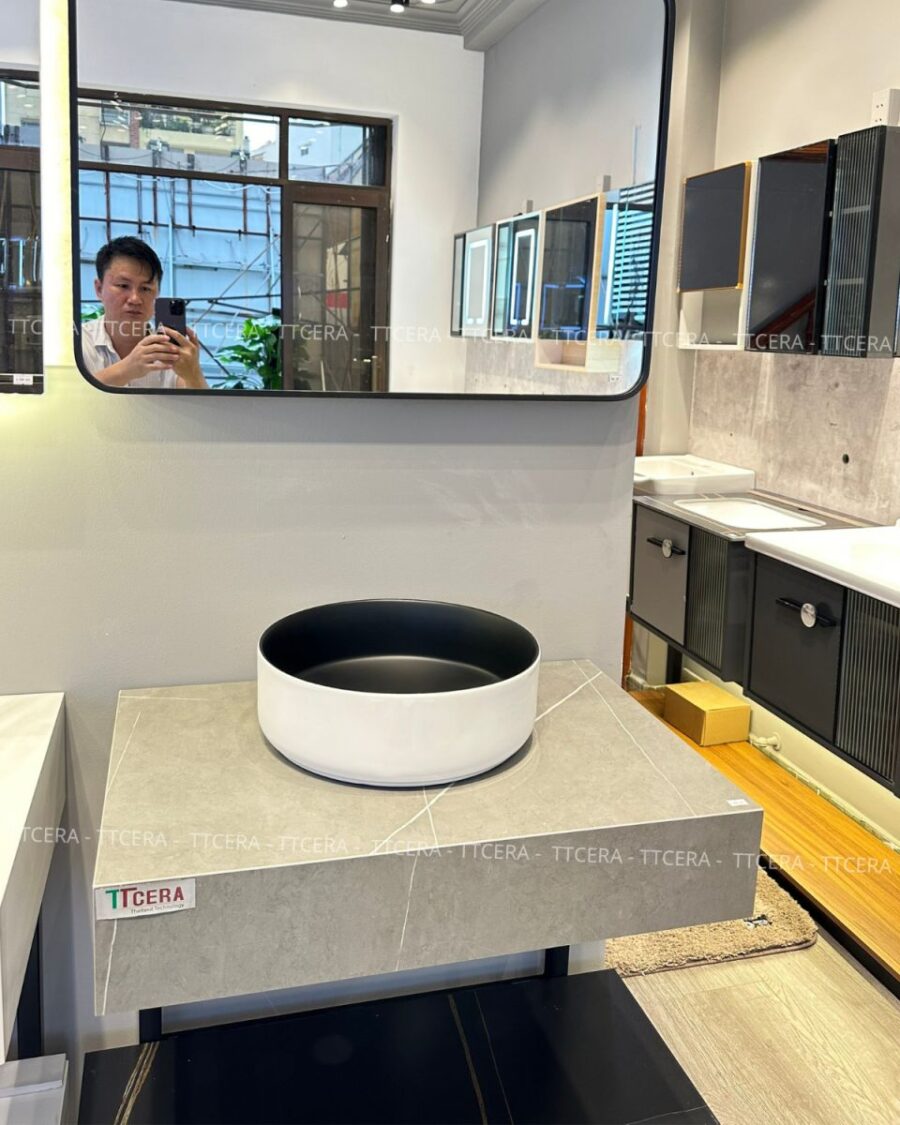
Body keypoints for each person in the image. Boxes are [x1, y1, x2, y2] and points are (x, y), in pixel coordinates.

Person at [80, 237, 209, 389]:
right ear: (99, 289)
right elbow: (69, 398)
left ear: (157, 293)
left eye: (145, 289)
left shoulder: (168, 350)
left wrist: (193, 373)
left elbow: (200, 403)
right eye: (123, 285)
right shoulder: (77, 343)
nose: (135, 299)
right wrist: (126, 369)